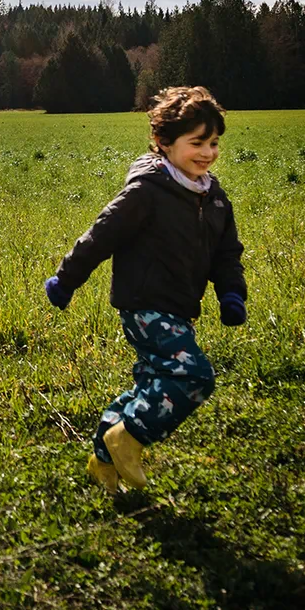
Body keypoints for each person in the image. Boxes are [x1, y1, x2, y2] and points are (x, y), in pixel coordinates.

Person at [44, 86, 246, 493]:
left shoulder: (214, 197)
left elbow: (227, 253)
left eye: (213, 143)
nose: (207, 152)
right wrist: (66, 279)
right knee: (194, 375)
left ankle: (104, 460)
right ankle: (129, 437)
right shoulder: (147, 192)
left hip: (180, 306)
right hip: (144, 305)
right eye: (197, 143)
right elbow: (100, 237)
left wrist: (231, 293)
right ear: (164, 143)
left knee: (153, 383)